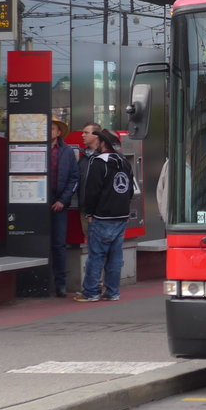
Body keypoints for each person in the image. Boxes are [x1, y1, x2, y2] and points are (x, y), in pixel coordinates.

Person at [75, 129, 135, 303]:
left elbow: (92, 191)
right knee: (115, 257)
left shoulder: (98, 162)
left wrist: (90, 212)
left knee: (96, 256)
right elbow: (129, 190)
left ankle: (91, 292)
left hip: (102, 217)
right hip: (121, 216)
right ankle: (112, 292)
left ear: (102, 142)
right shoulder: (124, 162)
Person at [48, 119, 79, 298]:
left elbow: (74, 178)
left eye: (52, 129)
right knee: (39, 243)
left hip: (60, 204)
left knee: (59, 244)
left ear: (59, 132)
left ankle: (60, 284)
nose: (49, 131)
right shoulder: (39, 150)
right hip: (40, 202)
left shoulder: (67, 152)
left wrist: (63, 200)